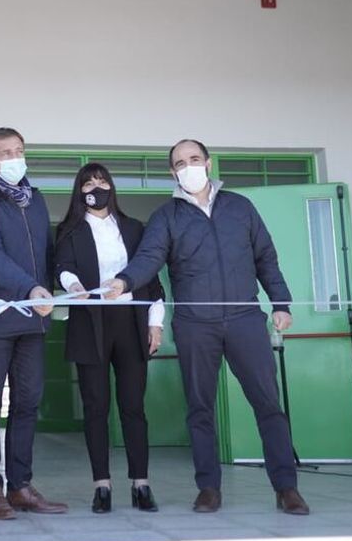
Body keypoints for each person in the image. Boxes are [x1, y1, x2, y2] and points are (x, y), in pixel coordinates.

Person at [106, 139, 310, 515]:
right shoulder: (166, 216)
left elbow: (266, 257)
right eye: (180, 162)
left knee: (267, 404)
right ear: (172, 172)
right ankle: (209, 488)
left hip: (245, 319)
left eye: (194, 159)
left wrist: (280, 303)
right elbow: (149, 257)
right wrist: (124, 281)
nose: (188, 166)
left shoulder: (240, 208)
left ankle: (287, 488)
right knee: (200, 408)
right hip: (195, 324)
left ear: (208, 162)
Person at [0, 127, 68, 520]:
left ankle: (20, 485)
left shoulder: (34, 200)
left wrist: (61, 283)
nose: (13, 157)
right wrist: (31, 288)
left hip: (33, 318)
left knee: (28, 402)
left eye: (19, 150)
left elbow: (46, 251)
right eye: (5, 152)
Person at [55, 163, 166, 514]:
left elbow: (151, 279)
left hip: (131, 323)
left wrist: (156, 323)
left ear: (111, 187)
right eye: (88, 183)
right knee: (95, 407)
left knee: (133, 407)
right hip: (91, 321)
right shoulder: (69, 231)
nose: (96, 187)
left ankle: (141, 483)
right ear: (79, 191)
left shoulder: (134, 229)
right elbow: (62, 268)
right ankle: (101, 485)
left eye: (102, 181)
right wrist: (72, 285)